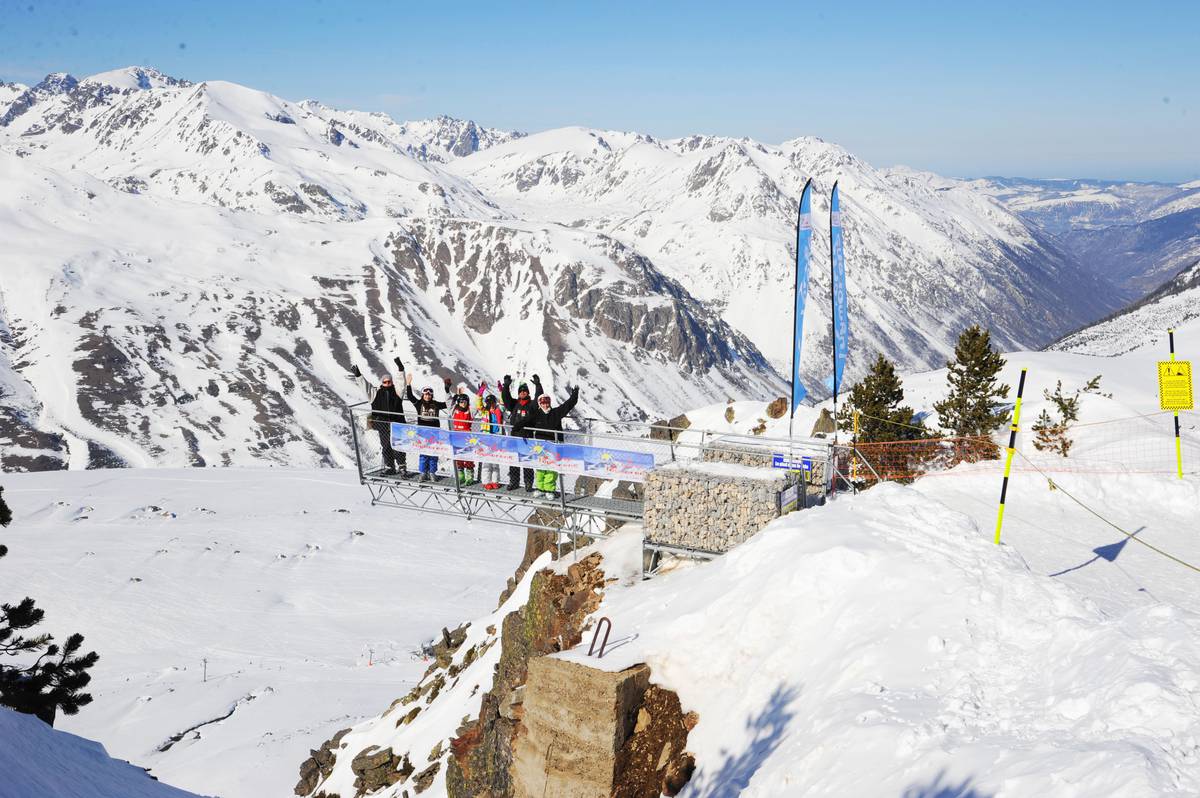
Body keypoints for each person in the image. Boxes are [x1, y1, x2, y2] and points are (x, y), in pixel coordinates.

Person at [512, 384, 580, 498]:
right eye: (543, 402)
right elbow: (526, 421)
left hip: (553, 445)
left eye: (547, 402)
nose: (545, 404)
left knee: (551, 468)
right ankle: (541, 487)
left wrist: (574, 394)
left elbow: (568, 405)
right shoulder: (536, 414)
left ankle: (550, 489)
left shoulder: (556, 413)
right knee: (540, 467)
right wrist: (516, 427)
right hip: (540, 445)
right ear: (539, 403)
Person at [353, 358, 407, 477]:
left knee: (398, 445)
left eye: (389, 381)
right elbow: (365, 387)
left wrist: (401, 369)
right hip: (382, 425)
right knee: (386, 445)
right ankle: (389, 467)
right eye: (385, 382)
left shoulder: (397, 392)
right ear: (382, 383)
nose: (387, 383)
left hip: (396, 424)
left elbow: (402, 383)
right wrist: (358, 375)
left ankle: (402, 466)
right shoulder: (375, 393)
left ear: (392, 382)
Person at [406, 372, 453, 482]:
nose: (427, 396)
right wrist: (408, 384)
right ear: (423, 395)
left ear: (432, 395)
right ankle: (423, 473)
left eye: (429, 394)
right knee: (423, 454)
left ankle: (432, 472)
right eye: (425, 394)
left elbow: (448, 404)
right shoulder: (419, 403)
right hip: (422, 433)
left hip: (434, 433)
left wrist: (447, 391)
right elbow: (410, 396)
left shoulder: (435, 404)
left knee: (433, 453)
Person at [501, 374, 543, 492]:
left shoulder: (532, 404)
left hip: (527, 436)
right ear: (518, 393)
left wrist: (538, 385)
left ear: (528, 393)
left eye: (525, 391)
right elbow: (506, 398)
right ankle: (514, 481)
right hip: (515, 436)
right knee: (514, 460)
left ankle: (528, 483)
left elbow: (539, 398)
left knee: (527, 460)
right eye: (521, 391)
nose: (523, 393)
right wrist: (506, 386)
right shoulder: (514, 404)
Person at [476, 385, 504, 490]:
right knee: (486, 461)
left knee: (495, 462)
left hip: (497, 438)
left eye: (492, 403)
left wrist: (502, 391)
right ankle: (486, 481)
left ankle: (495, 481)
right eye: (489, 403)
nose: (491, 405)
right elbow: (478, 405)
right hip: (486, 438)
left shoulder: (499, 410)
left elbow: (502, 402)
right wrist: (481, 392)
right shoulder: (484, 412)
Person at [450, 393, 477, 486]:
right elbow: (449, 402)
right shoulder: (454, 410)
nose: (463, 403)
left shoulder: (470, 411)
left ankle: (470, 476)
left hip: (467, 438)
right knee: (459, 457)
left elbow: (476, 405)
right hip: (457, 437)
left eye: (465, 402)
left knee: (468, 457)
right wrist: (447, 391)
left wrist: (480, 393)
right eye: (461, 402)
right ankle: (461, 475)